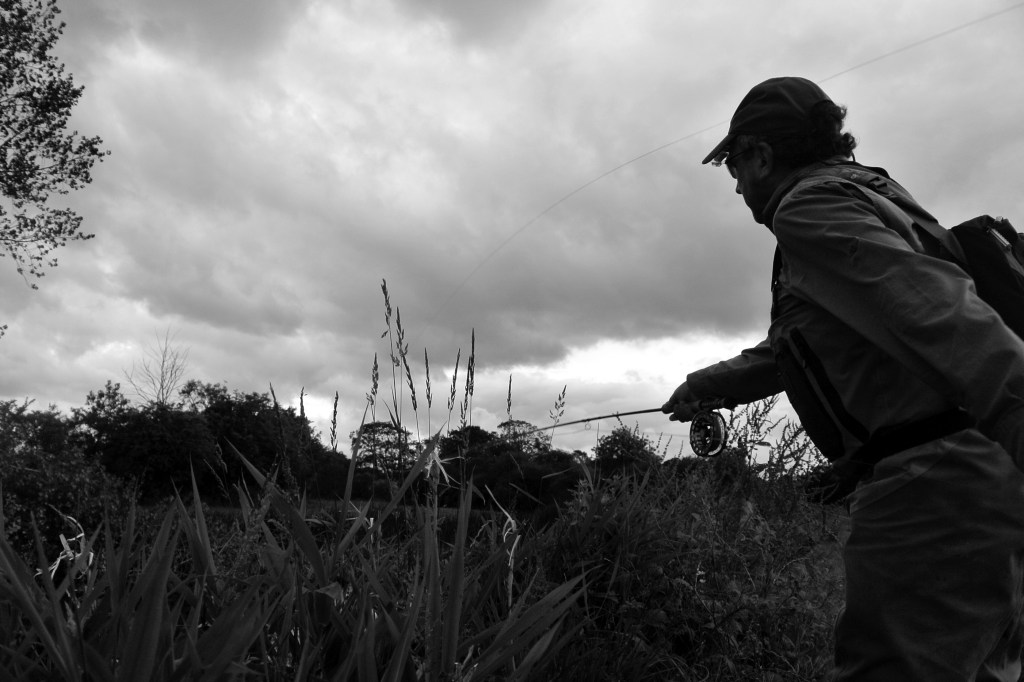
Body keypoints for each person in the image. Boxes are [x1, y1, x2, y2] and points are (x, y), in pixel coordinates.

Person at [661, 76, 1024, 680]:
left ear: (761, 155)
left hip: (936, 491)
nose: (736, 184)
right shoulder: (874, 193)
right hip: (986, 474)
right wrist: (707, 385)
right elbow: (808, 344)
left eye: (733, 165)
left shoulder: (809, 208)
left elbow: (939, 313)